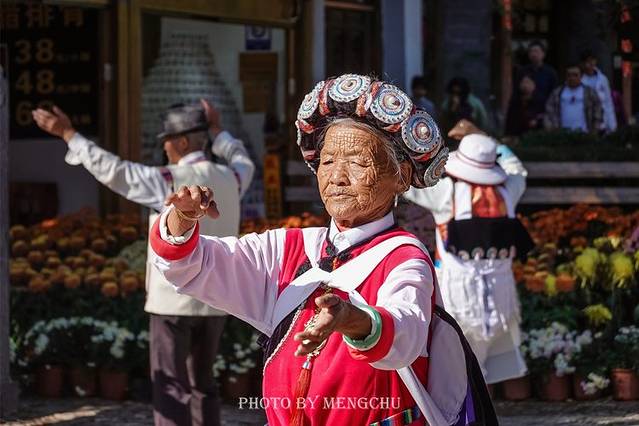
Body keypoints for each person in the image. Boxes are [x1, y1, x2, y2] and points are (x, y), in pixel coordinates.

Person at [150, 74, 497, 426]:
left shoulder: (404, 258)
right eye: (328, 161)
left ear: (402, 176)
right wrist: (182, 219)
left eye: (358, 162)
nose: (337, 177)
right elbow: (195, 267)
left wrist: (352, 320)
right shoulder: (288, 249)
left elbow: (405, 332)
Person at [32, 101, 254, 426]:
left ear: (182, 142)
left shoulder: (167, 179)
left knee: (171, 386)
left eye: (167, 141)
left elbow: (113, 170)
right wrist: (218, 131)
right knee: (204, 384)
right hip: (216, 299)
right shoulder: (233, 177)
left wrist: (69, 134)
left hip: (172, 299)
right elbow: (242, 158)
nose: (164, 148)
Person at [404, 134, 532, 386]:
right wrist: (495, 143)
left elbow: (408, 182)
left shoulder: (446, 193)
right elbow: (517, 170)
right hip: (500, 296)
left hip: (456, 295)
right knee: (481, 368)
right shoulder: (509, 190)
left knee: (452, 365)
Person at [544, 64, 604, 133]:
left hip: (585, 133)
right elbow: (549, 112)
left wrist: (595, 129)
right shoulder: (557, 93)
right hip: (562, 134)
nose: (572, 78)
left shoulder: (590, 93)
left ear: (581, 76)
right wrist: (551, 128)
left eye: (575, 75)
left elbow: (598, 110)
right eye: (569, 75)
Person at [580, 50, 617, 132]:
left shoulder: (603, 79)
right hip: (586, 121)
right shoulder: (580, 80)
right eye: (588, 61)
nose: (590, 63)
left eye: (592, 60)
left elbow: (608, 102)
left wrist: (612, 124)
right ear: (583, 63)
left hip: (603, 121)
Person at [516, 40, 558, 107]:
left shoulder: (550, 73)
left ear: (543, 54)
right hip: (526, 109)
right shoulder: (522, 71)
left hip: (544, 109)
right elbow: (516, 92)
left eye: (536, 51)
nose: (533, 54)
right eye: (531, 51)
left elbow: (554, 94)